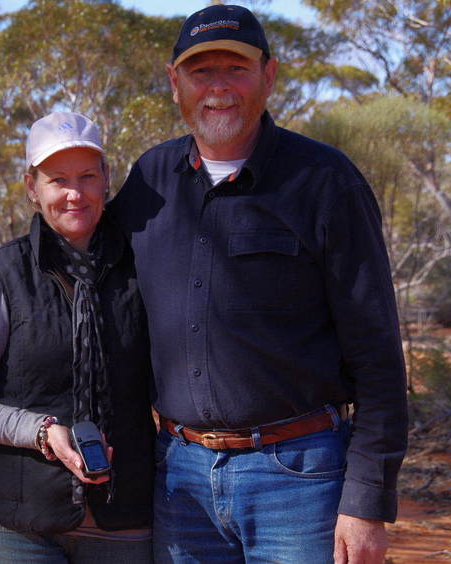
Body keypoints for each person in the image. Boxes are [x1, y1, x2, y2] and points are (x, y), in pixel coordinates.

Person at [110, 5, 408, 564]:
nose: (219, 88)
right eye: (201, 71)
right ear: (174, 82)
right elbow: (93, 294)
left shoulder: (325, 182)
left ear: (269, 75)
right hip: (180, 480)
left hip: (300, 480)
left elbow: (378, 355)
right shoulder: (149, 180)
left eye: (236, 69)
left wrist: (367, 500)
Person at [0, 111, 156, 563]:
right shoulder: (1, 273)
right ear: (32, 187)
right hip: (16, 523)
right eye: (58, 180)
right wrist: (41, 431)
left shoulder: (146, 270)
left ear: (106, 180)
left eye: (88, 177)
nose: (75, 194)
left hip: (124, 519)